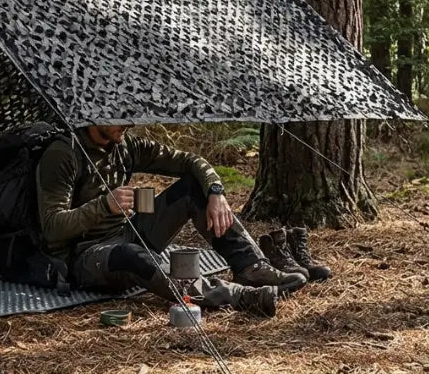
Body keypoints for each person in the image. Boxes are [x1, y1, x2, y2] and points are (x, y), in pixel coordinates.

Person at [36, 124, 307, 317]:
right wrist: (104, 205)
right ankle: (236, 295)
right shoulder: (63, 154)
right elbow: (52, 228)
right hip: (85, 256)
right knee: (132, 256)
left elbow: (190, 161)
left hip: (128, 231)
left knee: (193, 188)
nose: (129, 124)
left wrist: (216, 192)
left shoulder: (125, 145)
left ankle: (251, 267)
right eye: (120, 117)